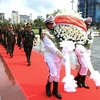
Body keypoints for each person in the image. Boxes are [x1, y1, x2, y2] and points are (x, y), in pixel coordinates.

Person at [42, 16, 63, 99]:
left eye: (52, 23)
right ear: (46, 24)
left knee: (57, 75)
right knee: (53, 74)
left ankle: (55, 90)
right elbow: (50, 46)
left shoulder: (57, 32)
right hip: (50, 56)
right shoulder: (45, 33)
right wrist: (58, 52)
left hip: (58, 56)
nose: (51, 25)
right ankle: (48, 86)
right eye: (49, 24)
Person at [74, 17, 93, 89]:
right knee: (84, 66)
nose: (88, 26)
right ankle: (79, 80)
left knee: (86, 66)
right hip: (80, 52)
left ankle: (80, 80)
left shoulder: (90, 32)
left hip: (87, 52)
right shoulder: (80, 31)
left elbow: (91, 41)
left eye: (89, 24)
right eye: (87, 24)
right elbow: (76, 41)